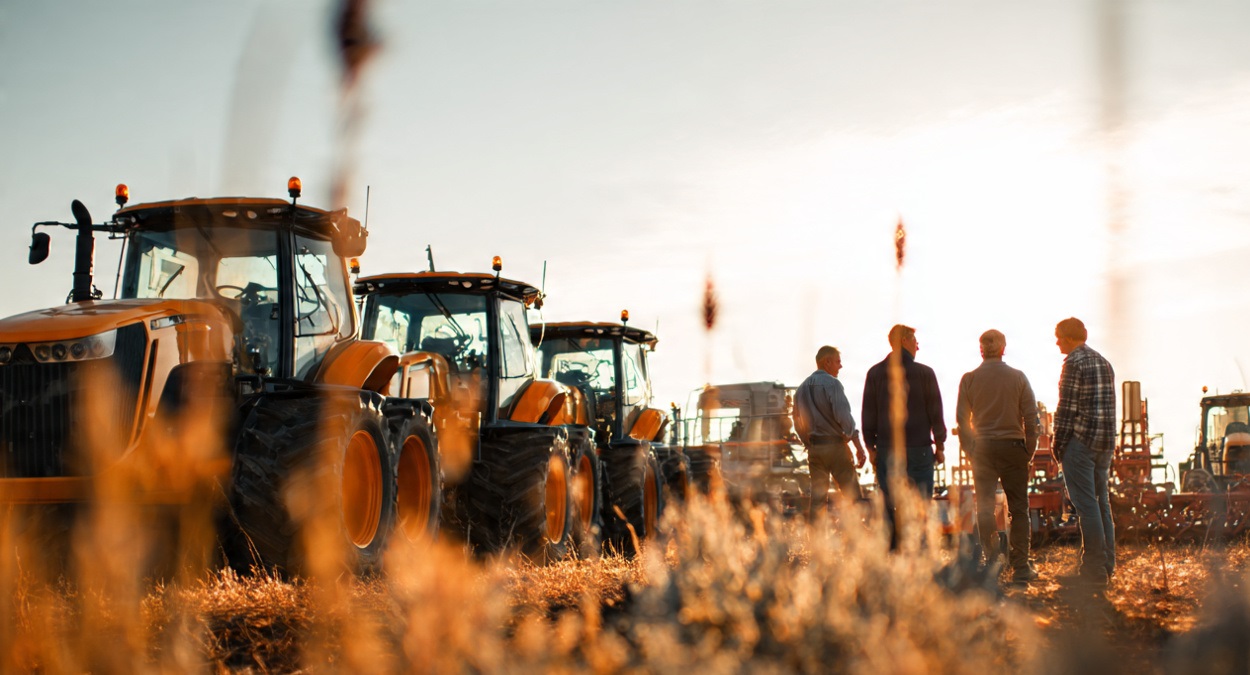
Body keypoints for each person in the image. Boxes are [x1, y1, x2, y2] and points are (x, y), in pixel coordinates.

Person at [955, 329, 1041, 584]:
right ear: (1004, 347)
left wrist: (969, 449)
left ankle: (993, 562)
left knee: (984, 507)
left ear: (981, 349)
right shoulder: (1018, 377)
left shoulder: (969, 379)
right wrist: (1030, 449)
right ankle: (1022, 567)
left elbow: (962, 419)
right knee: (1019, 508)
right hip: (1013, 447)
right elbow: (1030, 417)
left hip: (982, 449)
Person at [862, 325, 947, 546]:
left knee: (890, 504)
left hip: (888, 450)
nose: (918, 346)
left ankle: (893, 553)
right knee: (920, 503)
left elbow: (868, 414)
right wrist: (940, 446)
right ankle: (918, 552)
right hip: (919, 449)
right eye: (915, 341)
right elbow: (935, 411)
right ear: (906, 341)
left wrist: (871, 448)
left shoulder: (875, 373)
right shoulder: (925, 373)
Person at [1053, 317, 1116, 585]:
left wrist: (1058, 445)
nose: (1056, 342)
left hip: (1080, 443)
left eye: (1058, 337)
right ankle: (1107, 564)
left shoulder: (1073, 364)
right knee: (1102, 504)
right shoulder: (1104, 362)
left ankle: (1094, 569)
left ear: (1068, 339)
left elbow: (1066, 409)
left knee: (1086, 506)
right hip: (1105, 443)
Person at [793, 345, 867, 518]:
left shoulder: (800, 389)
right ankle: (856, 537)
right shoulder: (832, 384)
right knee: (852, 495)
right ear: (827, 362)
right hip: (835, 447)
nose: (840, 366)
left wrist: (807, 442)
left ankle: (816, 541)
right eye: (838, 362)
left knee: (818, 499)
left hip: (814, 450)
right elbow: (844, 417)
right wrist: (857, 445)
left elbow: (796, 422)